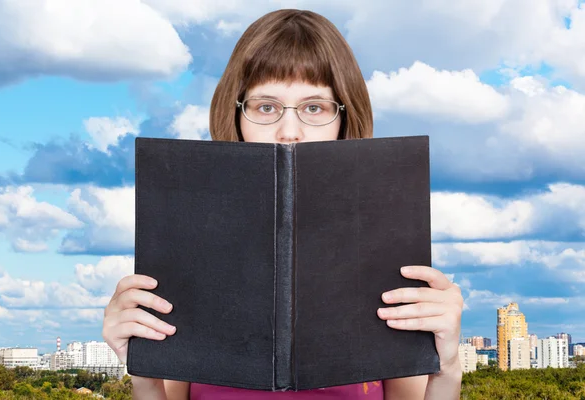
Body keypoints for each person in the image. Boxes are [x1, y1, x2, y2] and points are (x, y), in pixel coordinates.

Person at [102, 9, 463, 400]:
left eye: (314, 108)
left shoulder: (386, 254)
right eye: (266, 107)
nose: (289, 132)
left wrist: (447, 368)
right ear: (236, 114)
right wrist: (143, 373)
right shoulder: (189, 250)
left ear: (344, 118)